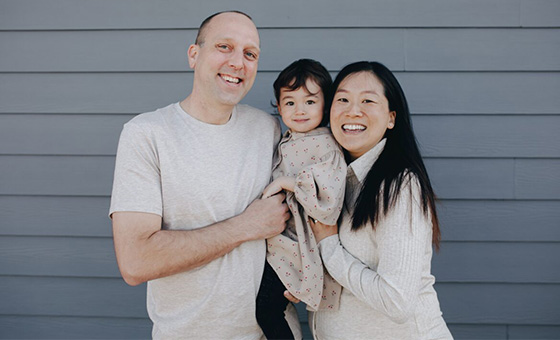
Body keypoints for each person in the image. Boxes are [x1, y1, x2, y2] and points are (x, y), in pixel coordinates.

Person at [109, 11, 302, 339]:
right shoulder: (147, 134)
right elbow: (135, 262)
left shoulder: (267, 128)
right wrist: (246, 226)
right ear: (194, 55)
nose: (238, 62)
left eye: (250, 53)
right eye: (224, 47)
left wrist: (306, 271)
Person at [308, 61, 453, 339]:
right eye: (343, 99)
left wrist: (329, 245)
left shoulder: (400, 186)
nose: (353, 110)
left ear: (391, 118)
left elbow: (396, 302)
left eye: (368, 100)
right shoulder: (336, 180)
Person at [255, 59, 346, 339]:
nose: (300, 110)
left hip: (299, 243)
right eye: (290, 103)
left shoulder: (326, 144)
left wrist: (286, 182)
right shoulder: (289, 138)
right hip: (280, 236)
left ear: (326, 106)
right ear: (279, 107)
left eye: (309, 102)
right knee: (264, 303)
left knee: (266, 308)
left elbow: (329, 196)